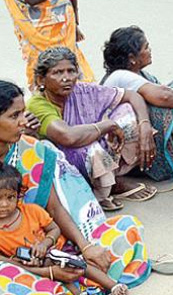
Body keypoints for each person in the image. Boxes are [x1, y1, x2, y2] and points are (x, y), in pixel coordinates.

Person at [0, 80, 156, 295]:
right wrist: (40, 269)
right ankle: (53, 287)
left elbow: (54, 208)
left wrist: (85, 246)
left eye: (22, 113)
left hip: (46, 245)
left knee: (124, 230)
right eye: (14, 115)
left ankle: (57, 289)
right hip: (7, 258)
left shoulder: (30, 149)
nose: (23, 121)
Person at [26, 47, 159, 211]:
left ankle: (113, 175)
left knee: (127, 112)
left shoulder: (82, 91)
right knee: (91, 148)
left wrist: (145, 125)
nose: (66, 78)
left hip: (89, 144)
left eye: (71, 71)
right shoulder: (37, 104)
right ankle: (102, 191)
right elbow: (68, 137)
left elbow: (132, 96)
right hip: (61, 163)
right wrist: (107, 125)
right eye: (58, 73)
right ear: (41, 80)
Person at [0, 165, 138, 295]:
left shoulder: (32, 211)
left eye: (10, 197)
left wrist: (44, 244)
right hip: (34, 265)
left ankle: (113, 286)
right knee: (47, 276)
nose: (4, 204)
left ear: (19, 195)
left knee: (77, 265)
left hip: (58, 250)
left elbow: (54, 229)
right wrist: (22, 263)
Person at [101, 26, 173, 183]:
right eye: (146, 47)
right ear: (132, 58)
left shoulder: (142, 75)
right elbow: (164, 96)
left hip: (133, 141)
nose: (150, 50)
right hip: (118, 146)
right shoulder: (120, 76)